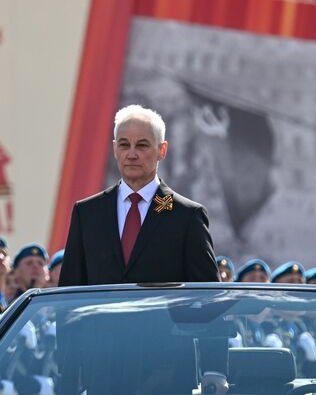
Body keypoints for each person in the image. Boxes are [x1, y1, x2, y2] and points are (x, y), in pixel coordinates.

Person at [59, 105, 216, 286]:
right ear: (115, 149)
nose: (132, 154)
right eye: (124, 145)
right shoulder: (87, 213)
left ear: (162, 150)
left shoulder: (186, 216)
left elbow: (206, 294)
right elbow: (69, 290)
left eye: (142, 145)